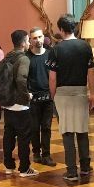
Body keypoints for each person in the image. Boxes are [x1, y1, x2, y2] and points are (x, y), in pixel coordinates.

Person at [47, 14, 94, 181]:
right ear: (74, 27)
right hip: (81, 92)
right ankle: (85, 167)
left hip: (62, 94)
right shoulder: (85, 46)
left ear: (61, 29)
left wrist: (53, 95)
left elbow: (52, 78)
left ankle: (71, 172)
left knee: (67, 133)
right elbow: (91, 73)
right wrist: (93, 93)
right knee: (82, 131)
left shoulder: (56, 49)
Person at [0, 30, 36, 177]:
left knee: (9, 135)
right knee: (24, 137)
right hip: (20, 104)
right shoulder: (24, 58)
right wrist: (26, 95)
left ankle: (9, 166)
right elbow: (21, 79)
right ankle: (24, 168)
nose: (29, 43)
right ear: (23, 43)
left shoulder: (8, 56)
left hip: (8, 103)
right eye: (28, 40)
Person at [28, 27, 57, 166]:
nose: (38, 40)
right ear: (30, 40)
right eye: (34, 38)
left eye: (40, 37)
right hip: (32, 98)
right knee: (34, 128)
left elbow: (55, 75)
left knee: (46, 127)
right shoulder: (27, 57)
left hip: (48, 97)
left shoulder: (50, 54)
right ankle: (36, 153)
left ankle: (46, 154)